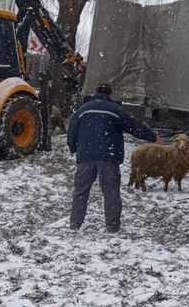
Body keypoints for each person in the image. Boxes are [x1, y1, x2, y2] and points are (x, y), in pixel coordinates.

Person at [67, 83, 160, 233]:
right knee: (111, 192)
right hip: (109, 158)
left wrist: (73, 147)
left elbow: (72, 130)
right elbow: (135, 127)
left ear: (95, 93)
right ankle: (112, 227)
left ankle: (75, 224)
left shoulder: (83, 110)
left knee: (81, 191)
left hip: (86, 157)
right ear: (110, 94)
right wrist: (153, 137)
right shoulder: (116, 110)